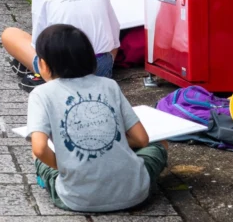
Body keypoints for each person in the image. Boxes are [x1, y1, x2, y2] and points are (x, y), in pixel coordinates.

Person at [26, 23, 168, 215]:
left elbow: (40, 148)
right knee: (160, 145)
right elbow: (142, 139)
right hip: (135, 194)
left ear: (42, 64)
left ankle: (49, 180)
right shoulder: (109, 85)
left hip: (76, 199)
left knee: (36, 153)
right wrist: (111, 144)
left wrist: (65, 165)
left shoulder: (41, 94)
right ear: (90, 58)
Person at [2, 0, 120, 90]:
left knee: (10, 34)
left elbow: (39, 47)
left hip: (60, 72)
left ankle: (47, 79)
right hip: (99, 69)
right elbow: (115, 37)